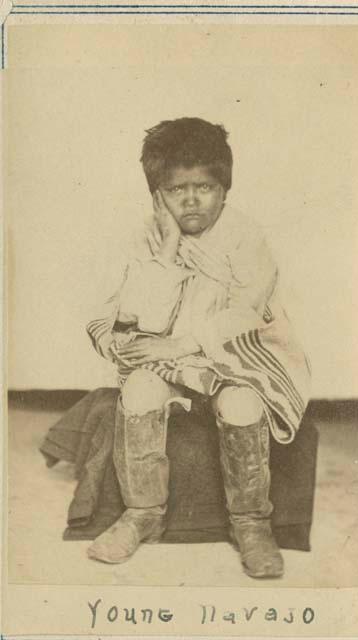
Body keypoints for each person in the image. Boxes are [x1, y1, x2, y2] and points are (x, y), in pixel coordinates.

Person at [85, 117, 311, 578]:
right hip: (170, 359)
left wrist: (180, 344)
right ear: (157, 196)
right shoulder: (144, 237)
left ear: (225, 189)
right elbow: (134, 322)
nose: (190, 199)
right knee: (141, 388)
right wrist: (168, 250)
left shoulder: (245, 236)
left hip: (236, 358)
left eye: (204, 187)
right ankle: (142, 514)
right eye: (175, 189)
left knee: (243, 403)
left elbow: (245, 314)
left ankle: (251, 523)